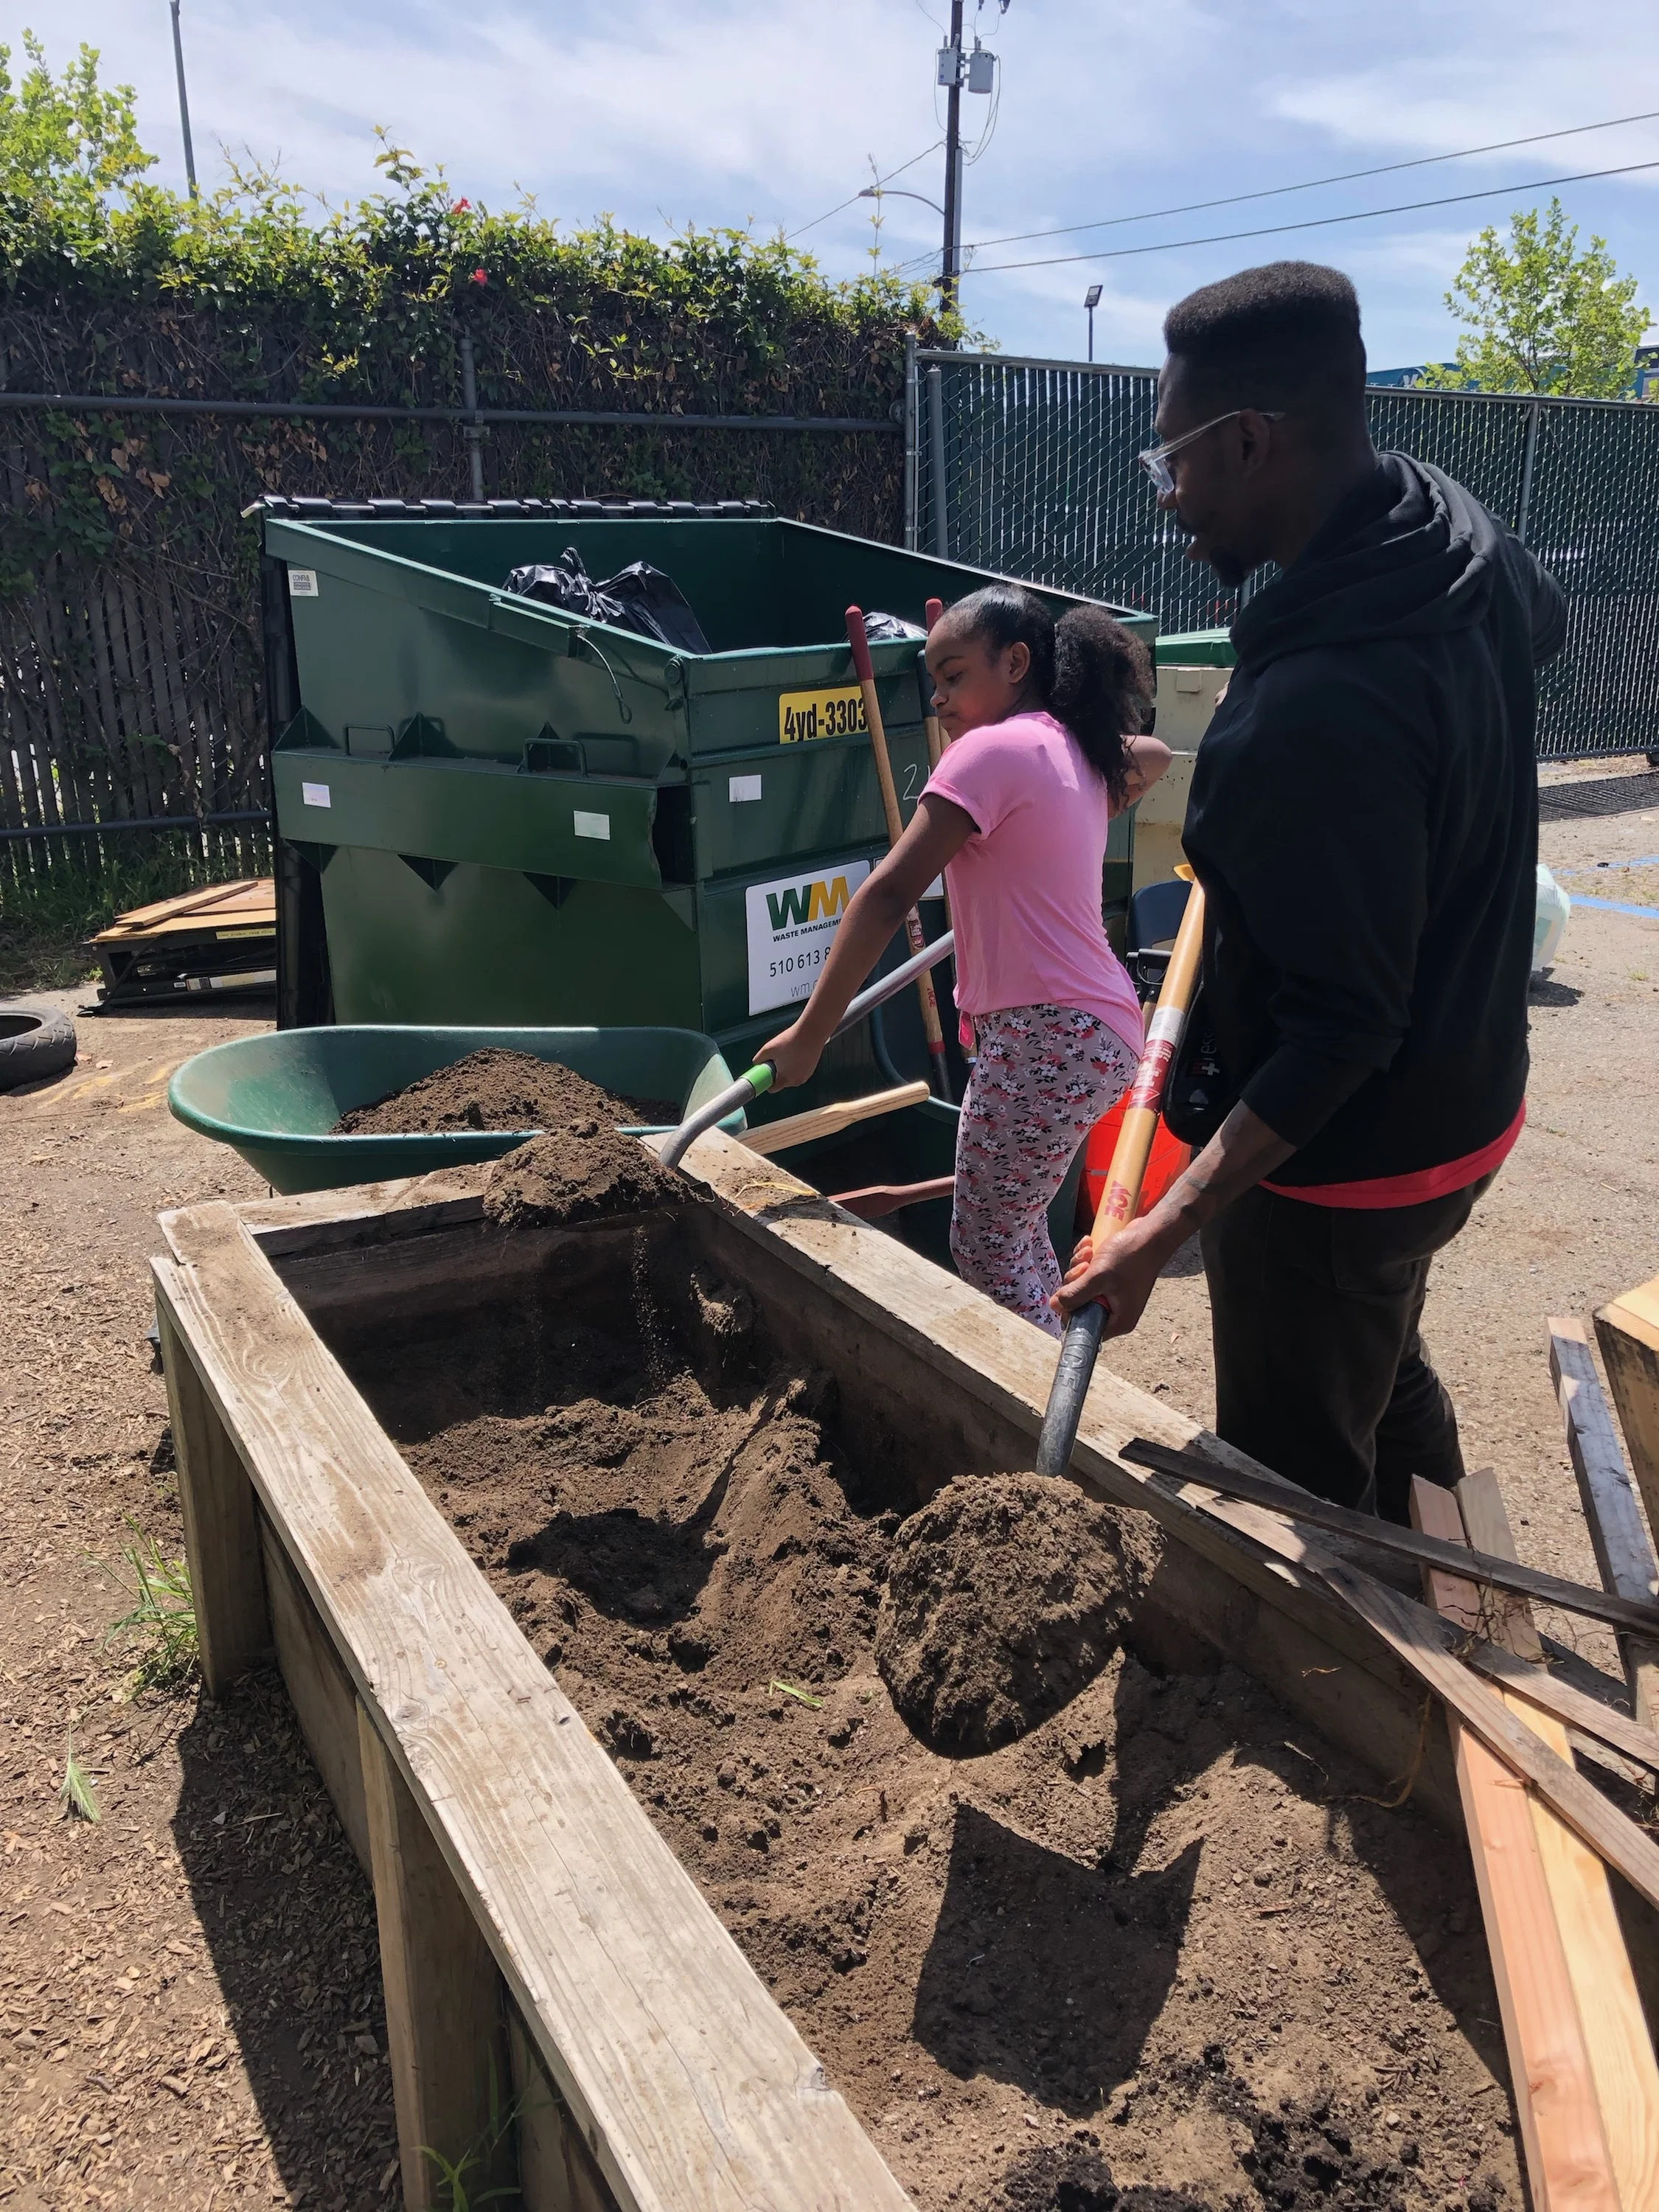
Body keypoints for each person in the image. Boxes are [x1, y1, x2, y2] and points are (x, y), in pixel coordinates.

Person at [1054, 260, 1566, 1522]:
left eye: (1173, 460)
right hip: (1469, 1097)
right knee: (1376, 1342)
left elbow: (1341, 1030)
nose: (1168, 496)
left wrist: (1157, 1231)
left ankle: (1359, 1664)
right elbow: (1537, 628)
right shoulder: (1449, 534)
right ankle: (1460, 1560)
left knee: (1296, 1476)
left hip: (1346, 1167)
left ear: (1250, 441)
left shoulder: (1316, 711)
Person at [760, 585, 1170, 1334]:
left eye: (954, 676)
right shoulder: (1071, 749)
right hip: (1096, 1030)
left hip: (1046, 1029)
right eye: (934, 683)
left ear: (1016, 662)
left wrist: (811, 1034)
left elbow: (888, 896)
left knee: (984, 1244)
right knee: (1014, 1232)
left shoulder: (990, 751)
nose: (941, 700)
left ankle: (1046, 1423)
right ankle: (1059, 1376)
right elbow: (1153, 754)